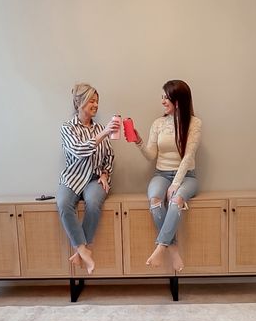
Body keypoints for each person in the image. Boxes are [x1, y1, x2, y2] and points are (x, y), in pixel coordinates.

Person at [132, 80, 202, 272]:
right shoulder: (158, 123)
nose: (162, 101)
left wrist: (175, 185)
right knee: (155, 199)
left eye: (166, 97)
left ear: (178, 100)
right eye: (162, 97)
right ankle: (172, 249)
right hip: (161, 174)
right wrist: (139, 142)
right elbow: (151, 155)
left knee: (176, 199)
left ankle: (161, 247)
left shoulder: (194, 124)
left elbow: (188, 157)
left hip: (187, 176)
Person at [57, 83, 120, 274]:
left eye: (97, 101)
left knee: (93, 202)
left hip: (95, 179)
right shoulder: (67, 128)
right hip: (73, 177)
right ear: (79, 103)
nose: (96, 105)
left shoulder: (100, 128)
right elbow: (79, 150)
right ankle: (84, 250)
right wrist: (105, 133)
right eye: (92, 101)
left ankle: (80, 253)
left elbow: (109, 155)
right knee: (63, 203)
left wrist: (105, 174)